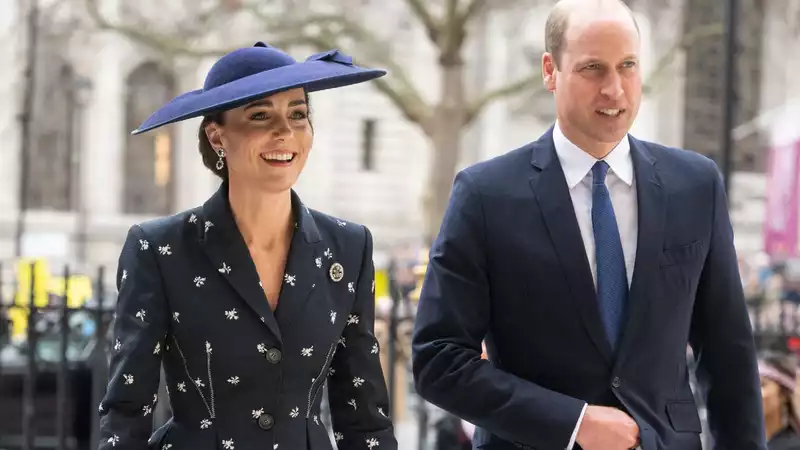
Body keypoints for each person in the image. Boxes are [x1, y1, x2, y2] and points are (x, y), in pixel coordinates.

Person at [410, 0, 767, 449]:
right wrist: (573, 422)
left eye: (628, 66)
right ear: (550, 71)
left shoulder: (695, 186)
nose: (614, 89)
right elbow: (437, 360)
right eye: (593, 68)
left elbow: (728, 352)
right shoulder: (485, 196)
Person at [97, 42, 397, 450]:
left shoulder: (349, 247)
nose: (285, 132)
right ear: (217, 136)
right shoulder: (159, 248)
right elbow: (127, 412)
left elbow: (363, 415)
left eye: (298, 114)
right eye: (260, 116)